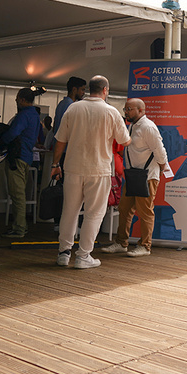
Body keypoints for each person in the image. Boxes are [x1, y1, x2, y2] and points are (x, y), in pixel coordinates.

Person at [51, 75, 130, 269]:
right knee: (94, 214)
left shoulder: (73, 108)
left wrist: (55, 165)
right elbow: (125, 141)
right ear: (105, 90)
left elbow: (60, 140)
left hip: (72, 168)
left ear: (89, 89)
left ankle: (63, 253)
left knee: (69, 211)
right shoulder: (111, 112)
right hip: (99, 169)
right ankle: (83, 255)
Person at [101, 98, 168, 257]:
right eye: (125, 109)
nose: (126, 112)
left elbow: (160, 150)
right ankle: (121, 243)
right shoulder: (132, 126)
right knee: (124, 209)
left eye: (129, 109)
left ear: (141, 110)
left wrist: (161, 167)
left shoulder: (148, 127)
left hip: (147, 176)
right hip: (133, 175)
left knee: (145, 212)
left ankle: (145, 246)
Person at [0, 87, 42, 238]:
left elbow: (13, 133)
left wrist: (0, 142)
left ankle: (19, 228)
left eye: (17, 98)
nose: (16, 101)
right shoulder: (35, 115)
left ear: (23, 100)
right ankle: (20, 226)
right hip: (27, 157)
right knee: (20, 193)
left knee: (17, 195)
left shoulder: (23, 115)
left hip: (16, 157)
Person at [49, 76, 87, 149]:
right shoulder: (72, 106)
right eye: (82, 90)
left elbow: (54, 128)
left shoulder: (61, 104)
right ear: (74, 89)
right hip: (67, 149)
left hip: (58, 147)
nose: (83, 93)